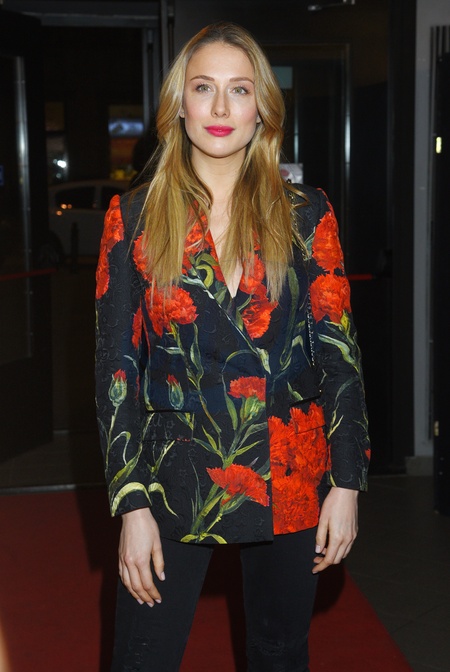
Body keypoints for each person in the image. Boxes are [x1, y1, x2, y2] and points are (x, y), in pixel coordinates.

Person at [95, 21, 370, 672]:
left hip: (289, 469)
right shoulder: (133, 216)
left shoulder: (305, 213)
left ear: (261, 110)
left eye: (239, 89)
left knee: (280, 653)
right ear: (179, 105)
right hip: (173, 474)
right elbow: (116, 372)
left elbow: (340, 357)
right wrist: (130, 504)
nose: (220, 107)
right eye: (203, 88)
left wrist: (347, 483)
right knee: (142, 658)